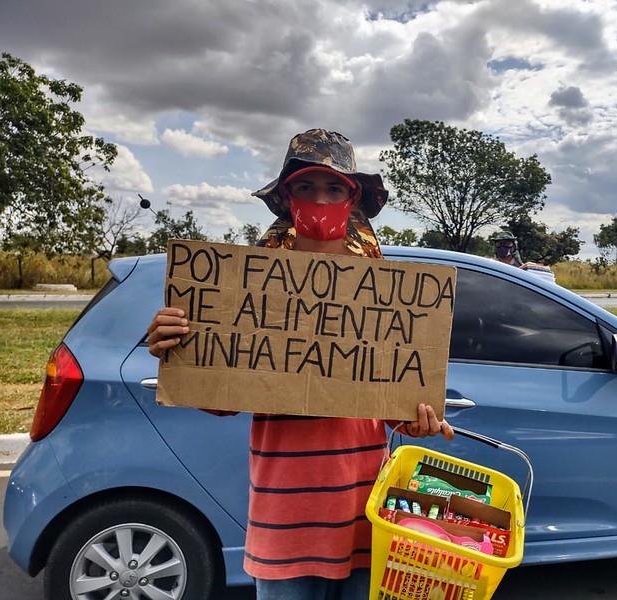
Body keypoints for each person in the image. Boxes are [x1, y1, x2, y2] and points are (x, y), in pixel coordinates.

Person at [146, 129, 454, 600]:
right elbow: (225, 399)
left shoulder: (385, 293)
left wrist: (416, 423)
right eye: (305, 187)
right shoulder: (244, 289)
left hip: (367, 520)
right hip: (283, 524)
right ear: (287, 198)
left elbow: (387, 406)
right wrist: (181, 351)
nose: (320, 199)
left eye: (334, 188)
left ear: (353, 201)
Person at [491, 231, 556, 284]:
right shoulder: (491, 266)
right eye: (499, 244)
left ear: (514, 246)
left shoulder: (523, 268)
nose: (502, 247)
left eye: (507, 244)